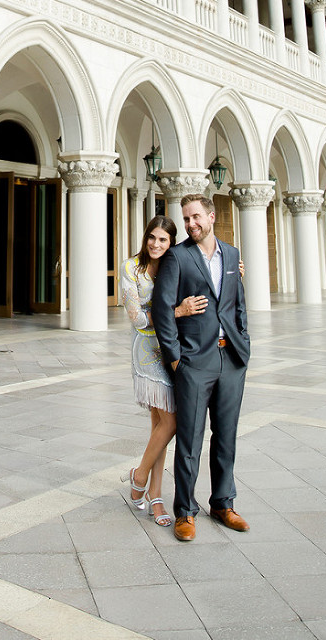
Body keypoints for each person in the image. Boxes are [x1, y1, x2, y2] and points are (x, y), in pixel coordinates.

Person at [151, 195, 250, 542]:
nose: (190, 224)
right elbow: (163, 311)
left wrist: (244, 345)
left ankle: (224, 503)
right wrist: (176, 359)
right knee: (190, 439)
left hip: (230, 361)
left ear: (211, 216)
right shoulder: (177, 256)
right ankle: (186, 512)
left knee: (226, 437)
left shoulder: (232, 255)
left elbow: (237, 305)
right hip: (194, 362)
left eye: (195, 218)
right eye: (186, 219)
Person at [119, 215, 193, 527]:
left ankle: (155, 493)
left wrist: (238, 273)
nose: (156, 244)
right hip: (147, 352)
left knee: (159, 426)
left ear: (171, 242)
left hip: (171, 349)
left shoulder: (174, 266)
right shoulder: (131, 268)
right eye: (152, 237)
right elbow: (137, 318)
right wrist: (175, 311)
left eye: (163, 239)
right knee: (170, 421)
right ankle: (140, 477)